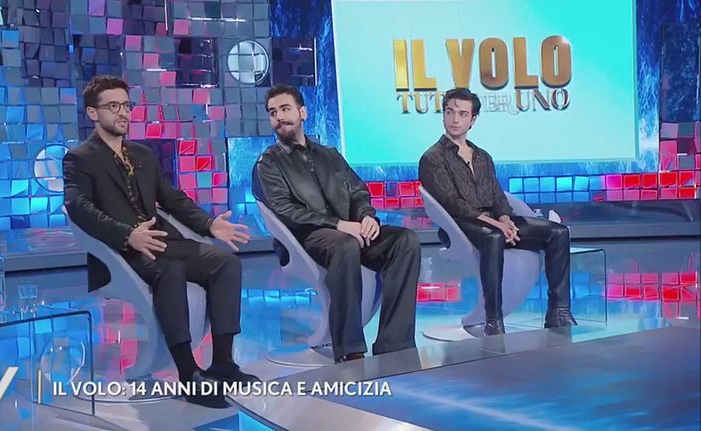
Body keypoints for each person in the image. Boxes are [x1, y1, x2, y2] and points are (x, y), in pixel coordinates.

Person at [63, 75, 258, 408]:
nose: (122, 112)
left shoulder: (142, 154)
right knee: (170, 271)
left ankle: (224, 363)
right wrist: (128, 235)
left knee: (225, 262)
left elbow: (173, 199)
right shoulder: (80, 158)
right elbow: (78, 207)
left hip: (164, 241)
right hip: (123, 251)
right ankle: (188, 374)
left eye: (126, 105)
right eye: (113, 106)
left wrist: (209, 224)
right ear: (93, 113)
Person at [253, 84, 420, 363]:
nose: (279, 117)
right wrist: (338, 224)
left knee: (405, 240)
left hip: (351, 230)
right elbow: (285, 210)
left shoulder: (329, 155)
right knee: (344, 245)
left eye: (285, 109)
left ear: (303, 113)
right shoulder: (268, 163)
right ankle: (349, 349)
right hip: (308, 237)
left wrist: (366, 216)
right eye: (273, 112)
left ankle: (395, 344)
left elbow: (358, 191)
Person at [418, 87, 577, 336]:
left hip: (493, 221)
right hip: (459, 224)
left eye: (462, 114)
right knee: (494, 237)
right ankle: (493, 319)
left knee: (558, 233)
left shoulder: (482, 156)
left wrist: (505, 219)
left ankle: (559, 311)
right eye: (450, 112)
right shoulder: (433, 158)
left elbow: (497, 195)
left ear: (473, 119)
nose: (455, 119)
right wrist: (498, 226)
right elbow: (451, 202)